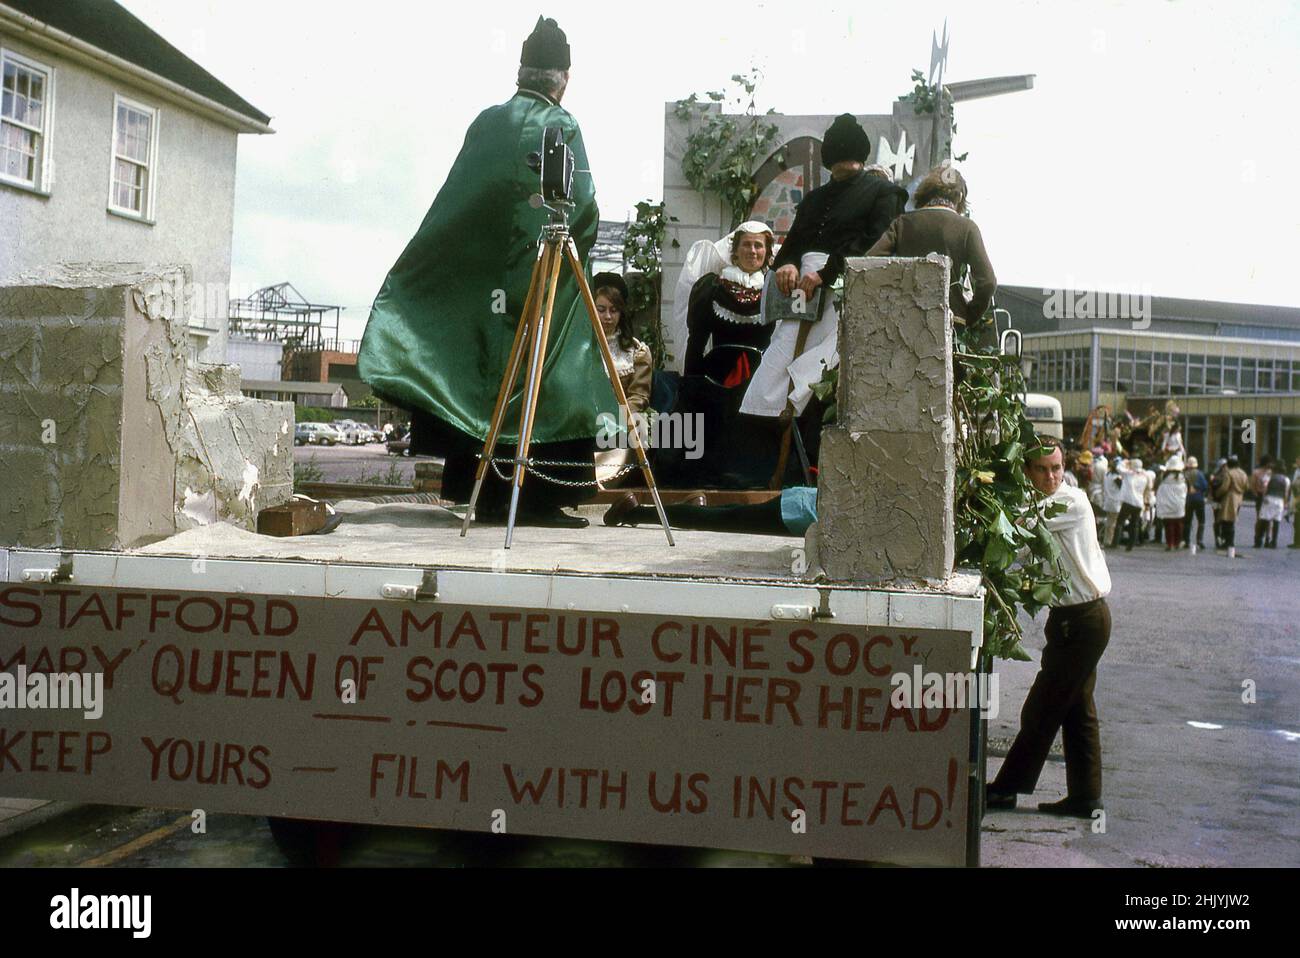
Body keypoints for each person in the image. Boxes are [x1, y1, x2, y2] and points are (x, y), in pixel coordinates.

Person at [357, 17, 609, 529]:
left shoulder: (486, 122)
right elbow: (580, 207)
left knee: (480, 378)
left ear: (520, 72)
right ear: (563, 78)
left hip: (483, 286)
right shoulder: (563, 125)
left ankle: (483, 493)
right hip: (541, 276)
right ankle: (537, 501)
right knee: (550, 372)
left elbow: (459, 202)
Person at [741, 114, 908, 422]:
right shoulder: (814, 199)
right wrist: (787, 265)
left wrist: (825, 273)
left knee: (820, 373)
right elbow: (793, 244)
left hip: (844, 292)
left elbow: (873, 243)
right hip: (802, 293)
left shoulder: (883, 193)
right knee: (778, 363)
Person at [986, 436, 1112, 818]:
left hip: (1084, 620)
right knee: (1077, 711)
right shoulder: (1046, 502)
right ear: (1028, 471)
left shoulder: (1070, 501)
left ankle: (1007, 788)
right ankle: (1085, 797)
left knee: (1042, 707)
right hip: (1071, 620)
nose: (1050, 476)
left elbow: (1020, 530)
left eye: (1056, 467)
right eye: (1041, 469)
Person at [866, 164, 998, 328]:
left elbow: (869, 262)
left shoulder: (902, 223)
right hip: (950, 321)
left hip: (905, 319)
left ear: (926, 191)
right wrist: (968, 315)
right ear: (960, 196)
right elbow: (988, 281)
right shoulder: (967, 227)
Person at [682, 223, 776, 382]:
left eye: (758, 246)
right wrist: (692, 387)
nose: (752, 251)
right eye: (746, 244)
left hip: (760, 380)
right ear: (735, 251)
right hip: (717, 379)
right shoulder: (712, 288)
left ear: (766, 252)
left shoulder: (773, 290)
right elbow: (696, 344)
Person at [602, 486, 817, 538]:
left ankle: (694, 508)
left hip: (801, 503)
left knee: (728, 516)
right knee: (719, 520)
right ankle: (634, 512)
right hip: (797, 514)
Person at [1212, 455, 1250, 558]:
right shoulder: (1243, 473)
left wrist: (1217, 494)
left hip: (1229, 498)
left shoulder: (1229, 473)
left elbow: (1225, 487)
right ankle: (1229, 542)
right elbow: (1247, 486)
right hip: (1239, 498)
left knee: (1227, 520)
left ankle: (1228, 542)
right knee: (1232, 520)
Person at [1154, 456, 1187, 551]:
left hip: (1167, 504)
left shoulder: (1163, 477)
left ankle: (1170, 544)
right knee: (1178, 524)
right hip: (1179, 505)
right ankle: (1177, 542)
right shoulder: (1183, 477)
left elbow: (1156, 486)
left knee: (1169, 525)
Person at [1117, 458, 1149, 551]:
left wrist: (1125, 462)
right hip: (1139, 503)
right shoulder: (1144, 476)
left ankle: (1115, 542)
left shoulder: (1129, 474)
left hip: (1128, 501)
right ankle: (1131, 544)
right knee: (1134, 524)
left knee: (1120, 522)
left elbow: (1119, 468)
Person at [1258, 466, 1290, 549]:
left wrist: (1264, 497)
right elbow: (1286, 492)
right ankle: (1274, 542)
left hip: (1269, 498)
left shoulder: (1269, 477)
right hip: (1279, 500)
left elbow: (1265, 488)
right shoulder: (1286, 479)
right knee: (1277, 521)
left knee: (1264, 519)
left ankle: (1260, 540)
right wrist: (1285, 502)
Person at [1182, 456, 1209, 550]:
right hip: (1199, 499)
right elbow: (1205, 486)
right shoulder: (1200, 474)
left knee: (1187, 521)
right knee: (1201, 521)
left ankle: (1186, 540)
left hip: (1187, 499)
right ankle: (1199, 540)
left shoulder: (1184, 474)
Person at [1251, 456, 1275, 548]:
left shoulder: (1271, 473)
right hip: (1261, 496)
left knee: (1269, 519)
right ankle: (1258, 538)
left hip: (1269, 496)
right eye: (1269, 463)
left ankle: (1267, 539)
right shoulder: (1256, 472)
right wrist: (1256, 494)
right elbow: (1252, 485)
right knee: (1260, 519)